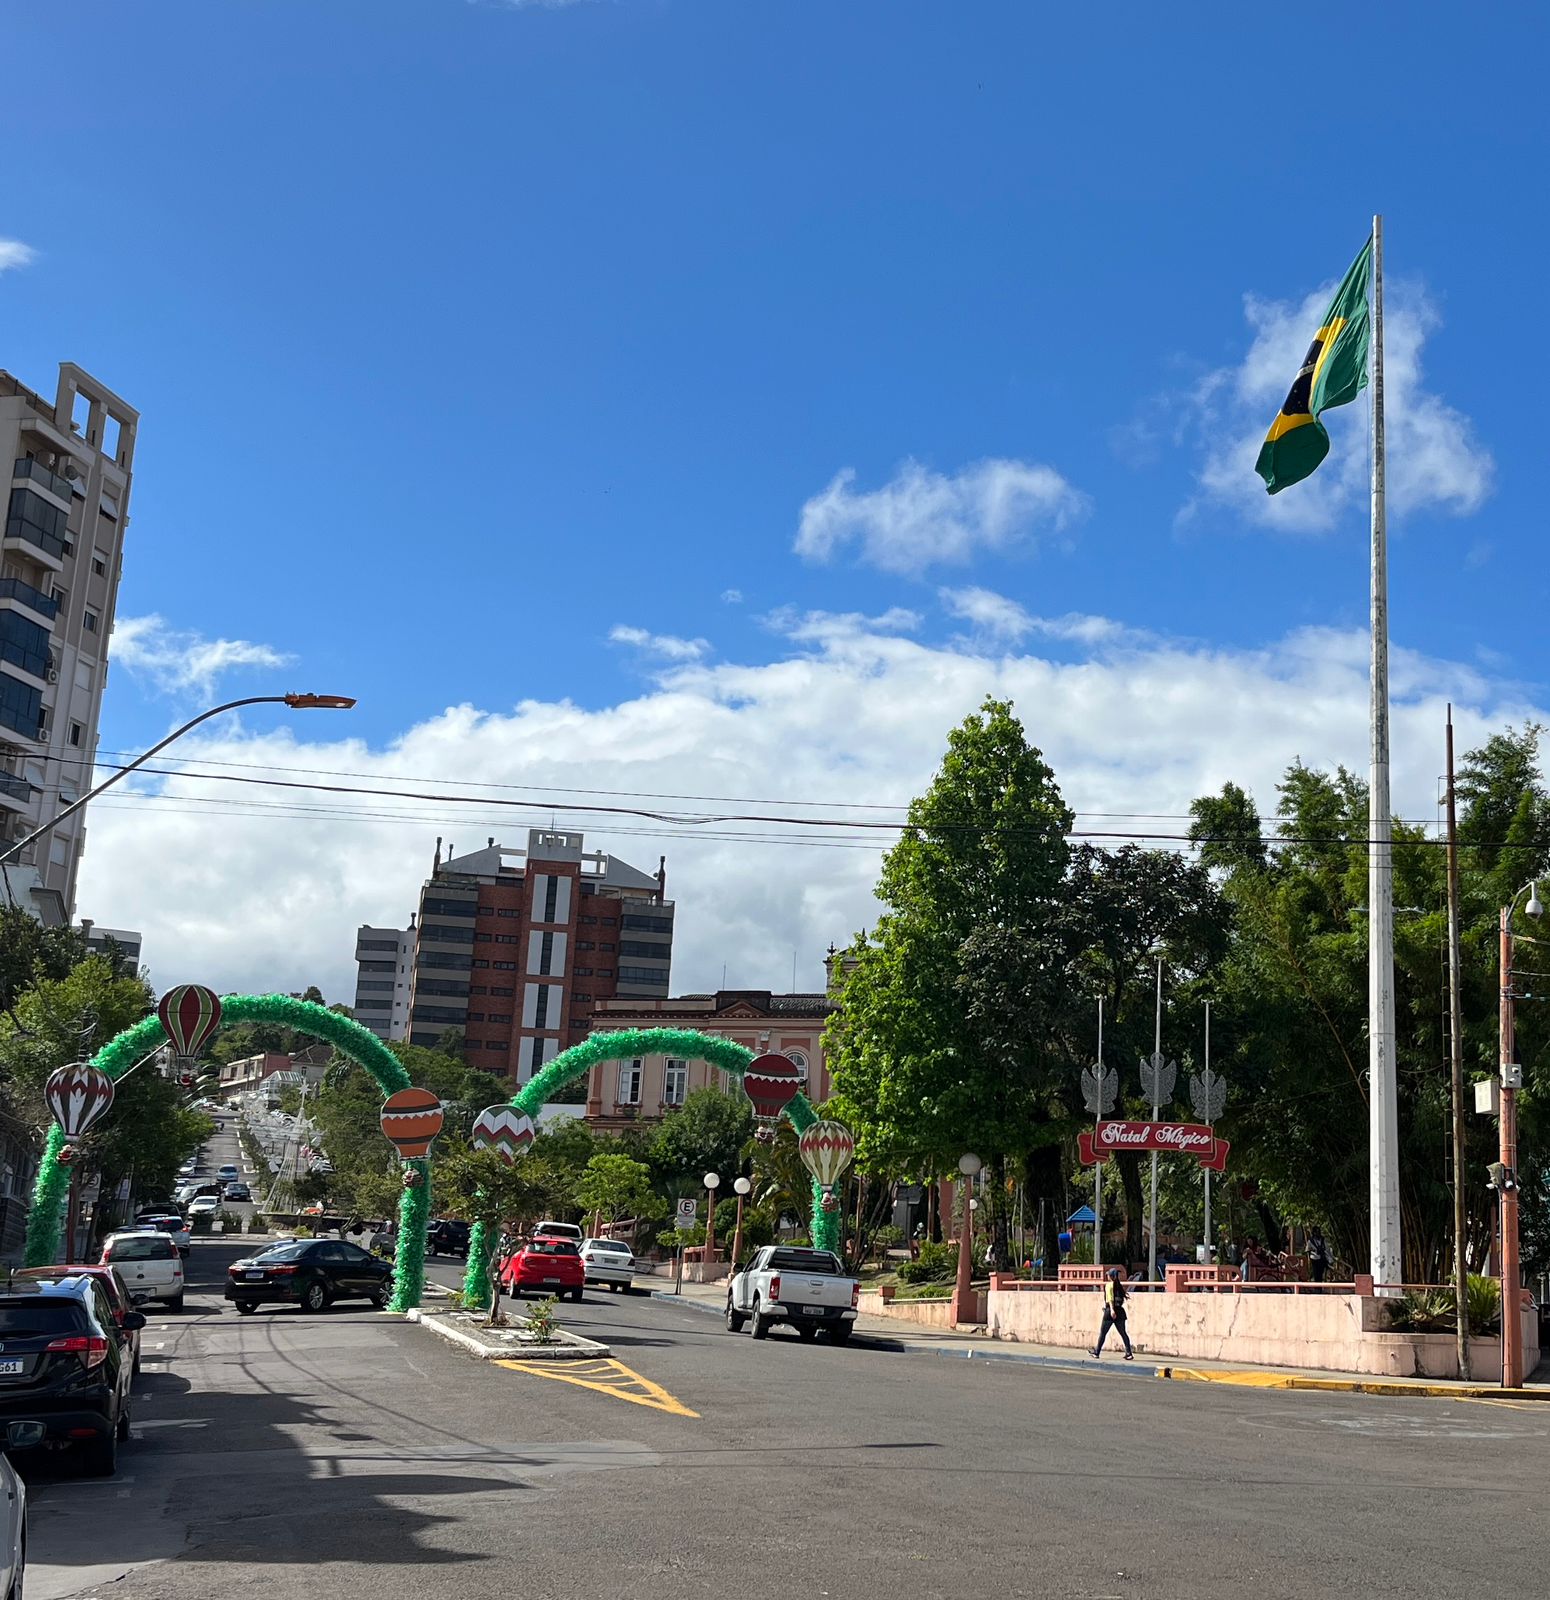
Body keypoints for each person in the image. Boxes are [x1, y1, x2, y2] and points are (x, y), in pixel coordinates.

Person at [1090, 1267, 1134, 1360]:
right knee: (1123, 1333)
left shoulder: (1109, 1285)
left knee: (1103, 1333)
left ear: (1111, 1276)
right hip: (1120, 1312)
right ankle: (1129, 1353)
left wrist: (1112, 1310)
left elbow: (1110, 1298)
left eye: (1108, 1275)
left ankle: (1097, 1352)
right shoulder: (1118, 1285)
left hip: (1110, 1311)